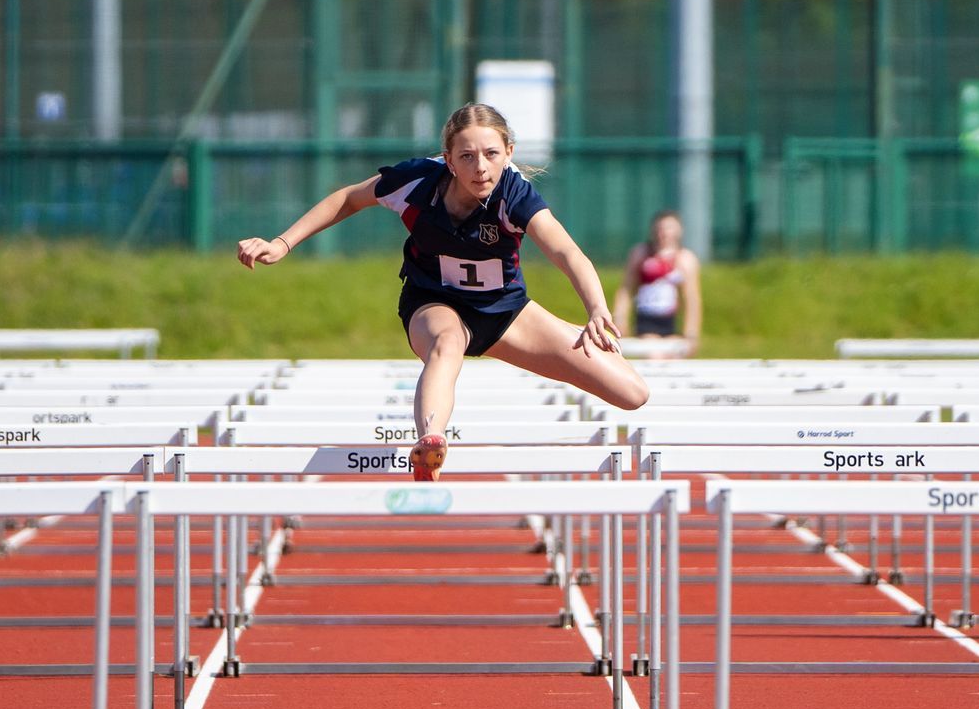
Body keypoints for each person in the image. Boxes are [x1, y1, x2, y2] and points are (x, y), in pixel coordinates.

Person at [237, 103, 648, 480]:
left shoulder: (515, 195)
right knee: (447, 343)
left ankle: (560, 336)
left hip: (504, 312)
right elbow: (348, 198)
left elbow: (566, 252)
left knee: (633, 394)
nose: (480, 168)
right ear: (448, 160)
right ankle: (430, 443)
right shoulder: (417, 182)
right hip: (433, 302)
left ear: (508, 152)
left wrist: (596, 307)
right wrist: (282, 242)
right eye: (466, 156)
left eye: (490, 154)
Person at [612, 209, 702, 355]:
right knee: (654, 354)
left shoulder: (685, 259)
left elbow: (691, 298)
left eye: (669, 228)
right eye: (661, 228)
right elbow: (626, 289)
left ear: (679, 231)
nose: (665, 233)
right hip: (646, 318)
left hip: (669, 319)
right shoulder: (641, 254)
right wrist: (620, 319)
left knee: (673, 356)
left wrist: (691, 332)